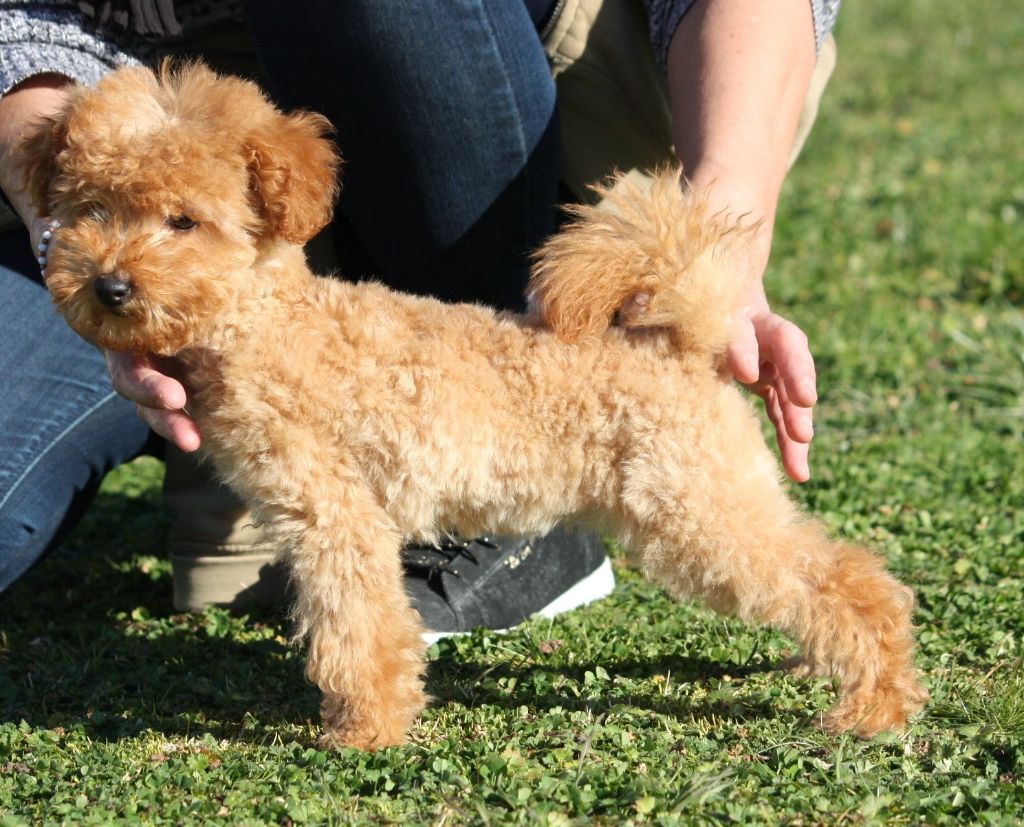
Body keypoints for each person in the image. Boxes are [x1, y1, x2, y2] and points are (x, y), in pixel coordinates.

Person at [0, 0, 836, 634]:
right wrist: (60, 238)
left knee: (729, 550)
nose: (122, 255)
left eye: (172, 225)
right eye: (99, 214)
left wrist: (725, 238)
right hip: (148, 87)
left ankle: (511, 531)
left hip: (511, 69)